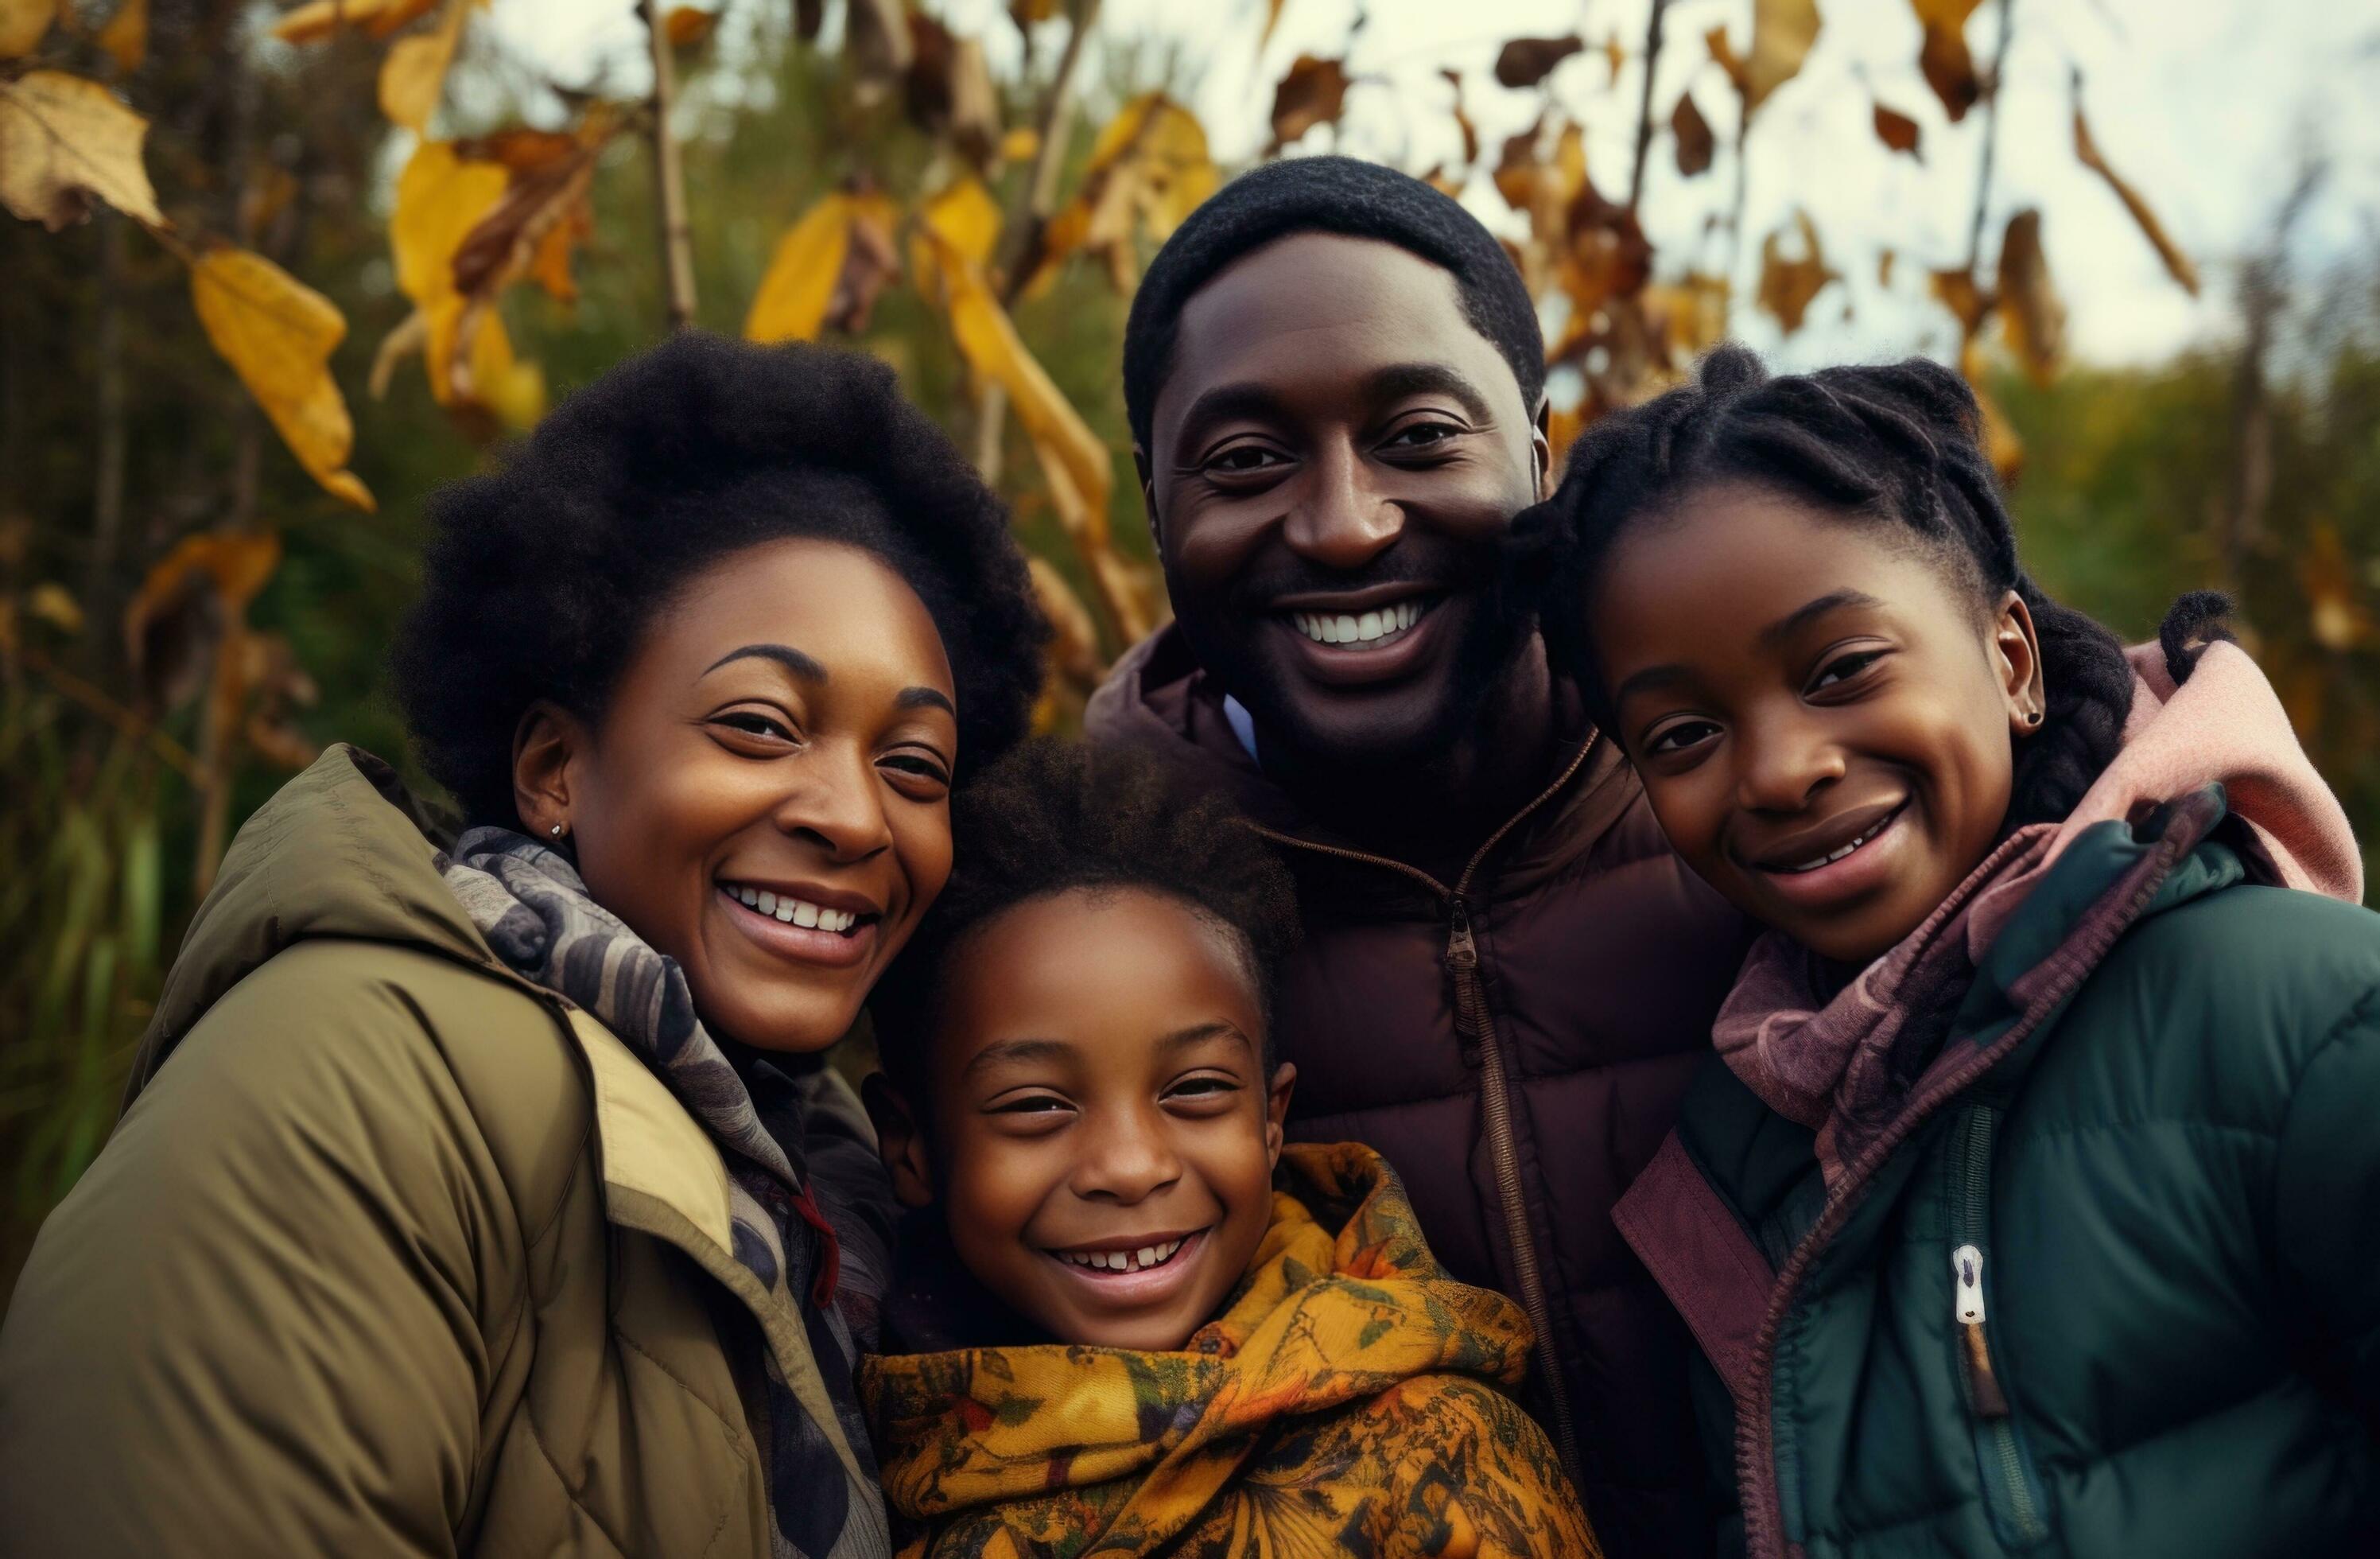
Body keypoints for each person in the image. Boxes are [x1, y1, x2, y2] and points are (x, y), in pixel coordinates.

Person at [0, 332, 1047, 1558]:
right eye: (761, 727)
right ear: (556, 767)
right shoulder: (354, 1082)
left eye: (911, 765)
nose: (856, 815)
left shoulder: (830, 1176)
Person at [1523, 345, 2376, 1557]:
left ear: (2011, 661)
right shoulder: (1732, 1157)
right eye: (1684, 733)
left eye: (1841, 670)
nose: (1779, 768)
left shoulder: (2302, 1016)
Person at [1083, 153, 1753, 1552]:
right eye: (1246, 461)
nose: (1343, 524)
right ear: (1153, 509)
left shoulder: (1768, 794)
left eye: (1419, 437)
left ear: (1540, 453)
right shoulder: (1077, 923)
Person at [857, 739, 1599, 1557]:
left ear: (1270, 1118)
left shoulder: (1438, 1457)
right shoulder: (865, 1451)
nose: (1133, 1165)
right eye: (1036, 1104)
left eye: (1197, 1089)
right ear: (910, 1145)